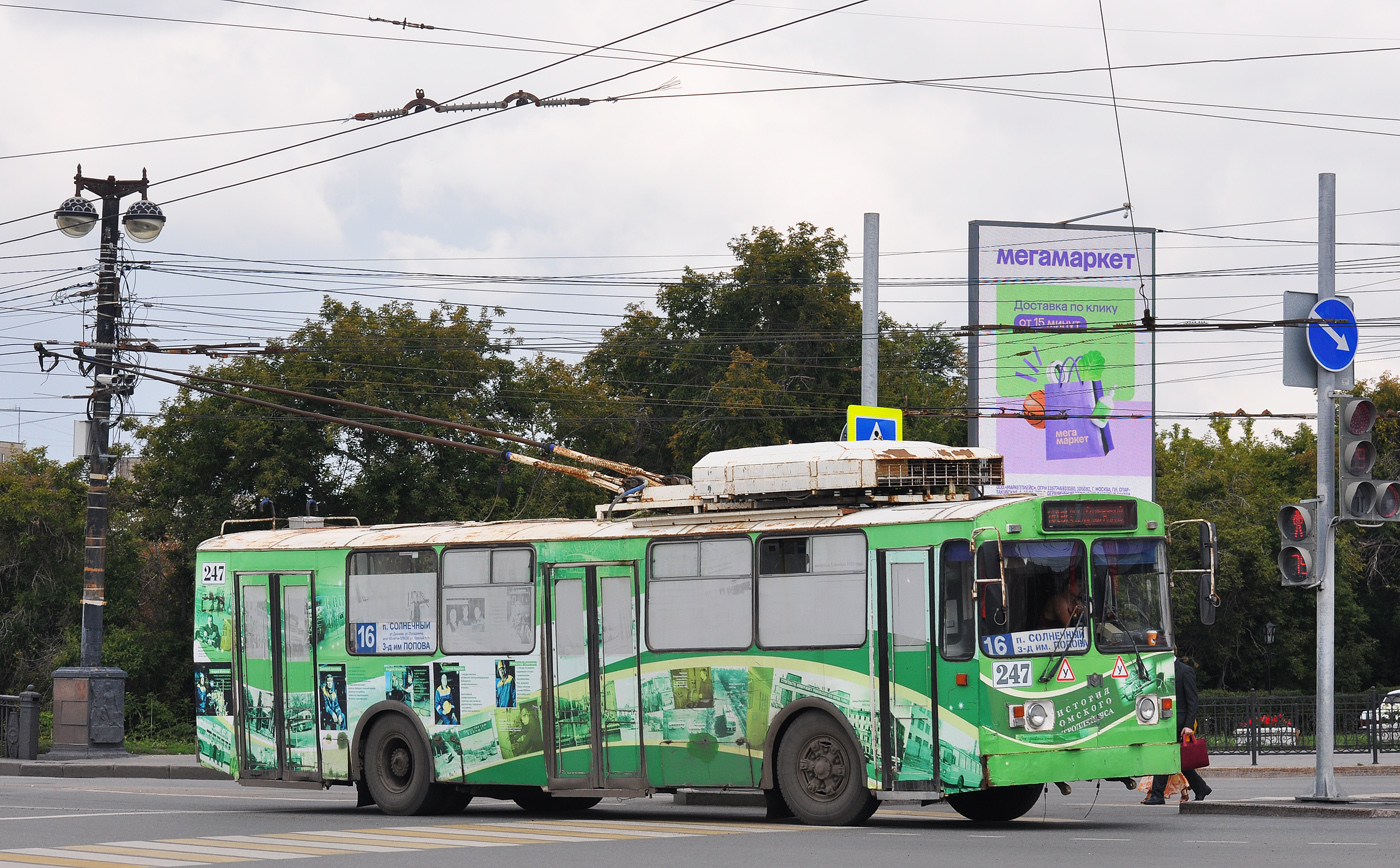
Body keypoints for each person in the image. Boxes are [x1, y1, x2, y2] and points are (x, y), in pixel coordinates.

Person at [1143, 653, 1212, 804]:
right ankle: (1200, 787)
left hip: (1179, 723)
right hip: (1164, 721)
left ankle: (1158, 795)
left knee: (1164, 755)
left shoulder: (1184, 671)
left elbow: (1192, 701)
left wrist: (1188, 725)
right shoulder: (1160, 670)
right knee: (1177, 759)